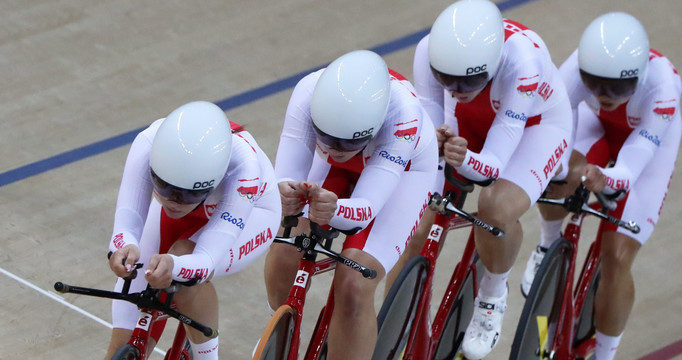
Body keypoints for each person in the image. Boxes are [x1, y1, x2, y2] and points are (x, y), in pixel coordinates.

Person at [386, 0, 574, 358]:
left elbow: (493, 163)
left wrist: (464, 158)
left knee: (493, 206)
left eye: (469, 80)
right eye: (447, 80)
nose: (456, 88)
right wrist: (435, 146)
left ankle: (492, 294)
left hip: (536, 128)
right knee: (415, 223)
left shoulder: (523, 63)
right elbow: (429, 130)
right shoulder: (429, 51)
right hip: (470, 122)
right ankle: (401, 326)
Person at [521, 12, 682, 360]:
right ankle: (548, 243)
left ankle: (605, 355)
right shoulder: (577, 66)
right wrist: (563, 167)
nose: (605, 94)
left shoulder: (663, 88)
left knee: (617, 256)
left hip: (647, 144)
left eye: (618, 88)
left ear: (638, 77)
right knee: (554, 173)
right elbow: (556, 122)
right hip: (596, 125)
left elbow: (636, 159)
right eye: (595, 84)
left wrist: (606, 179)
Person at [266, 49, 438, 359]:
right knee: (285, 250)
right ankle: (280, 338)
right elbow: (285, 178)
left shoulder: (404, 116)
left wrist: (335, 210)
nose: (335, 148)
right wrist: (285, 193)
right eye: (326, 137)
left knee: (354, 284)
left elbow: (367, 208)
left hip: (404, 171)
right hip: (338, 168)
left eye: (347, 142)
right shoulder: (307, 92)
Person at [105, 101, 282, 360]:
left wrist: (175, 266)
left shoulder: (245, 168)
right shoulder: (148, 142)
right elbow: (126, 223)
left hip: (252, 212)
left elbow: (205, 260)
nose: (174, 201)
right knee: (123, 335)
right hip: (199, 206)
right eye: (163, 186)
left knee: (184, 266)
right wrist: (124, 246)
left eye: (189, 193)